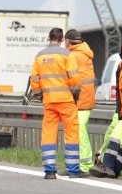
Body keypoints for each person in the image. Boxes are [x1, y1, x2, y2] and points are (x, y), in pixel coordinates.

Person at [29, 28, 85, 179]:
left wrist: (40, 95)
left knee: (48, 134)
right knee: (72, 133)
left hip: (49, 102)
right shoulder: (67, 55)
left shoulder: (39, 56)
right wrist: (75, 95)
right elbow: (74, 79)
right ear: (62, 40)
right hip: (66, 101)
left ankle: (49, 171)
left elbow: (34, 80)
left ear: (49, 38)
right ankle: (73, 170)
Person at [91, 43, 122, 178]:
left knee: (121, 142)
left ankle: (110, 169)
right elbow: (119, 93)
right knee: (115, 137)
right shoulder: (121, 66)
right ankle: (109, 168)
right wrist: (120, 111)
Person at [64, 29, 95, 173]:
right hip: (86, 99)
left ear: (68, 41)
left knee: (78, 132)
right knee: (78, 132)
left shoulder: (73, 55)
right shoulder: (84, 53)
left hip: (79, 100)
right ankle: (78, 165)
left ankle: (84, 166)